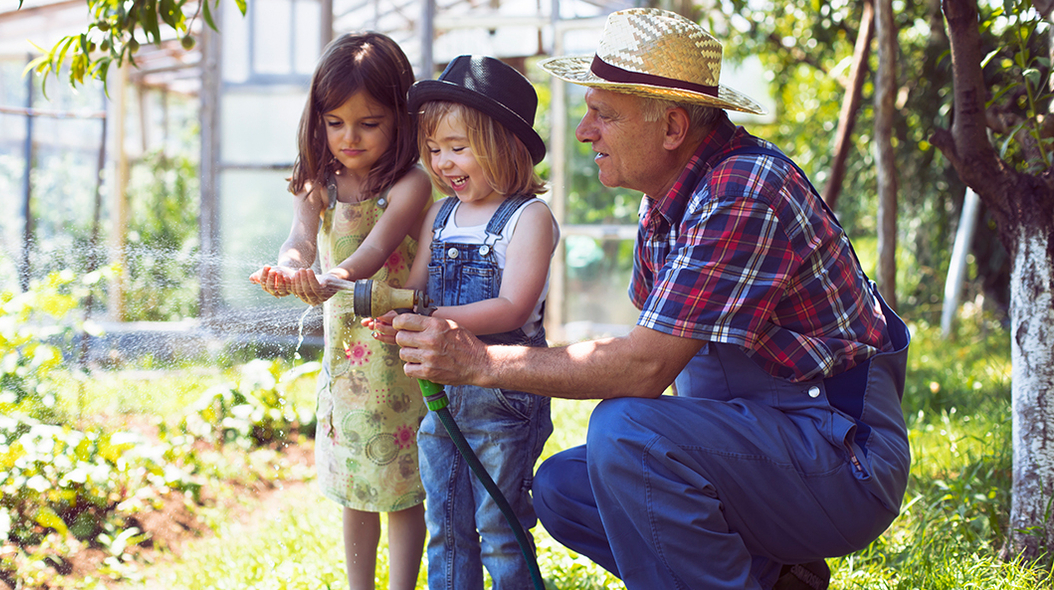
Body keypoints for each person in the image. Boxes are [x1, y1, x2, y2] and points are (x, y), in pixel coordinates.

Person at [381, 9, 911, 590]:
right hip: (765, 439)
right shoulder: (667, 201)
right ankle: (778, 577)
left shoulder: (742, 192)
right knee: (565, 489)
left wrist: (482, 362)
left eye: (603, 115)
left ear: (672, 128)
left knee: (628, 432)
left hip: (839, 459)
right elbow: (660, 361)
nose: (584, 132)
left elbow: (645, 369)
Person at [248, 31, 432, 590]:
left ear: (400, 119)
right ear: (317, 120)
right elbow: (299, 239)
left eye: (369, 123)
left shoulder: (410, 184)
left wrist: (332, 276)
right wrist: (288, 269)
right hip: (346, 371)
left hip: (399, 358)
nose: (349, 137)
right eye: (335, 122)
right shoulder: (319, 183)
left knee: (401, 490)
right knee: (354, 485)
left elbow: (375, 249)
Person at [368, 55, 559, 590]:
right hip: (443, 394)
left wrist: (433, 319)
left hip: (504, 393)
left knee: (498, 524)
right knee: (445, 524)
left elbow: (513, 307)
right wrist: (400, 314)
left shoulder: (528, 218)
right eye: (433, 150)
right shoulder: (440, 215)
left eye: (458, 147)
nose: (443, 162)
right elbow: (418, 288)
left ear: (504, 145)